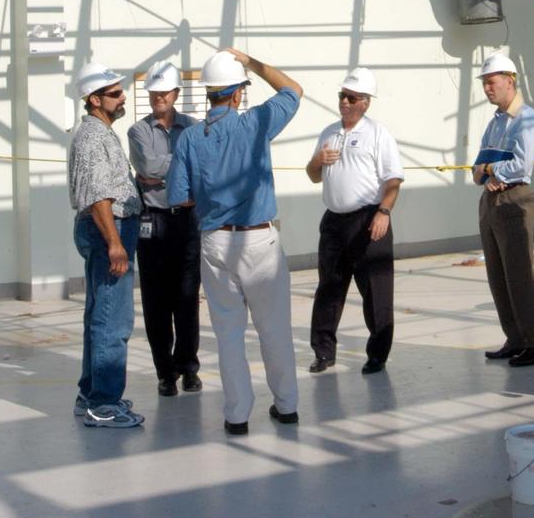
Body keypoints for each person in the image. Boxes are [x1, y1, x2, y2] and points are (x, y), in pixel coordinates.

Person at [168, 47, 302, 436]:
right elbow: (293, 89)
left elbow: (179, 196)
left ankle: (237, 415)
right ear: (238, 93)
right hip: (259, 239)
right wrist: (252, 62)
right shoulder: (257, 123)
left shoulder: (190, 138)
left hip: (215, 242)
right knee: (274, 328)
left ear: (208, 93)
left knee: (228, 334)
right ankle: (287, 406)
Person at [306, 66, 404, 376]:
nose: (345, 103)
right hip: (334, 222)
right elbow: (312, 175)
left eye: (351, 98)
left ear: (365, 102)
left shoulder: (378, 134)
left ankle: (377, 354)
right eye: (342, 96)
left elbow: (393, 181)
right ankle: (323, 353)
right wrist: (317, 161)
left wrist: (383, 213)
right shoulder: (328, 133)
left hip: (368, 219)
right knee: (329, 289)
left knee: (375, 291)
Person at [68, 61, 144, 428]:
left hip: (106, 229)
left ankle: (91, 392)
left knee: (99, 315)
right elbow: (99, 196)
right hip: (108, 230)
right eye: (114, 93)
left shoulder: (98, 132)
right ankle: (104, 404)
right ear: (94, 99)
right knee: (113, 320)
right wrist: (115, 244)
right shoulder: (93, 137)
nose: (122, 96)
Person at [127, 60, 202, 398]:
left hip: (187, 220)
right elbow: (147, 165)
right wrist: (184, 167)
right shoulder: (138, 131)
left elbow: (199, 166)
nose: (158, 96)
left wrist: (163, 175)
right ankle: (165, 374)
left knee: (187, 299)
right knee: (157, 303)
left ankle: (188, 368)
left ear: (175, 93)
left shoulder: (194, 128)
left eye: (164, 91)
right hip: (153, 223)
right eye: (154, 92)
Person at [474, 51, 534, 367]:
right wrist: (488, 172)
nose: (487, 88)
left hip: (514, 199)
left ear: (509, 80)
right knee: (498, 275)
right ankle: (515, 338)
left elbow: (522, 164)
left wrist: (491, 172)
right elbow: (476, 167)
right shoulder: (495, 123)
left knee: (520, 276)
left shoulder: (527, 119)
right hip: (490, 202)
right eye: (484, 83)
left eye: (491, 82)